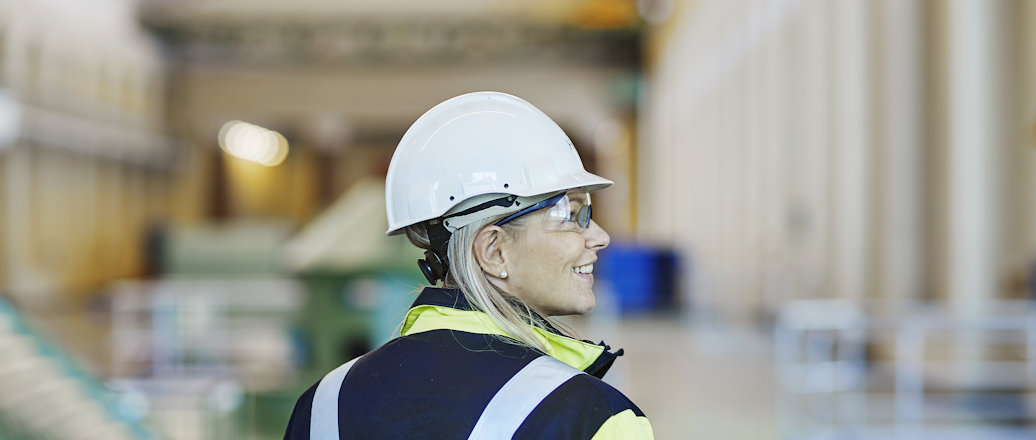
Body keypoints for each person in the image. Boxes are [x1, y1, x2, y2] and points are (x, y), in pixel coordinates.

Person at [284, 91, 654, 439]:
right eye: (570, 215)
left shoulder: (320, 407)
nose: (600, 236)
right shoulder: (595, 419)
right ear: (493, 251)